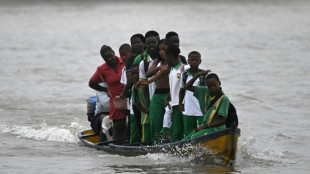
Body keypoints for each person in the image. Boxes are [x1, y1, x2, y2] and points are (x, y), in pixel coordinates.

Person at [89, 45, 128, 140]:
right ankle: (115, 146)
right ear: (103, 59)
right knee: (118, 131)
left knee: (132, 127)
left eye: (111, 56)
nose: (110, 59)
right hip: (116, 103)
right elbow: (91, 83)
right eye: (106, 58)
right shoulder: (102, 69)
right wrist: (106, 90)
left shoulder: (125, 62)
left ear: (114, 53)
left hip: (129, 99)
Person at [138, 39, 170, 144]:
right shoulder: (157, 61)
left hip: (169, 96)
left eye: (164, 49)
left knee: (169, 125)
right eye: (159, 49)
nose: (161, 52)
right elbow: (148, 74)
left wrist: (148, 82)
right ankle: (156, 146)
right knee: (155, 123)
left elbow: (163, 73)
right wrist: (159, 66)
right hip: (157, 96)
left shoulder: (174, 62)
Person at [182, 72, 230, 141]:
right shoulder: (204, 91)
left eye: (214, 85)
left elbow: (222, 120)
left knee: (193, 138)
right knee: (185, 140)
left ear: (219, 83)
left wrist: (205, 126)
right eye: (209, 86)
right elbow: (187, 87)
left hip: (216, 129)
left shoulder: (223, 98)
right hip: (206, 128)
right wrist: (197, 75)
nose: (212, 88)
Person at [179, 51, 205, 136]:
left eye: (196, 60)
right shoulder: (185, 74)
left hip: (201, 110)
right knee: (188, 133)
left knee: (202, 133)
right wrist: (180, 103)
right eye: (192, 60)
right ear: (188, 61)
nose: (194, 62)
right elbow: (182, 90)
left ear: (200, 61)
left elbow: (207, 92)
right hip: (188, 109)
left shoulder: (203, 75)